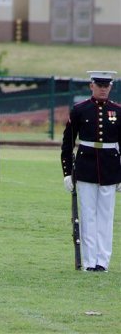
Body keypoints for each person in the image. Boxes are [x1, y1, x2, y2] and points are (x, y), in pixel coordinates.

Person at [61, 71, 121, 272]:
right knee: (87, 215)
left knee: (106, 216)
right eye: (99, 85)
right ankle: (88, 261)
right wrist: (67, 172)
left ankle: (102, 261)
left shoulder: (118, 111)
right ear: (91, 86)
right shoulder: (80, 110)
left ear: (110, 87)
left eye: (106, 86)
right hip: (86, 167)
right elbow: (68, 143)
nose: (103, 89)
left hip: (110, 168)